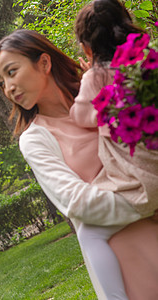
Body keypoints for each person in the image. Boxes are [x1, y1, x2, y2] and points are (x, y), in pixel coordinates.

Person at [0, 29, 158, 299]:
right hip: (127, 257)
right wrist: (149, 200)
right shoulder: (35, 139)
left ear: (43, 63)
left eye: (11, 72)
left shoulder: (105, 88)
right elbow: (80, 203)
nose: (8, 87)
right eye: (1, 81)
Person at [69, 0, 158, 298]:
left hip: (139, 184)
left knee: (89, 232)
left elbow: (80, 116)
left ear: (86, 48)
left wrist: (86, 79)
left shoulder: (97, 77)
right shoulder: (147, 62)